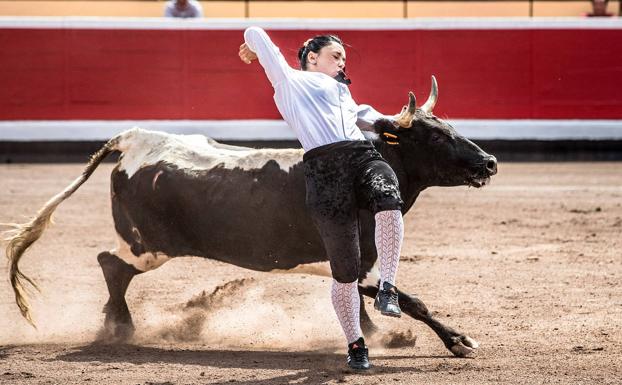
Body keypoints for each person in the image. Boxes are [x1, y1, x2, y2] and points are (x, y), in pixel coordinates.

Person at [239, 26, 405, 370]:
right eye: (336, 55)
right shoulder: (288, 80)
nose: (342, 62)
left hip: (362, 156)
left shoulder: (343, 93)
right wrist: (254, 49)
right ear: (312, 58)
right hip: (324, 168)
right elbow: (254, 30)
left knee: (388, 195)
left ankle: (388, 286)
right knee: (345, 269)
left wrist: (389, 121)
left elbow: (364, 115)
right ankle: (355, 343)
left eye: (344, 57)